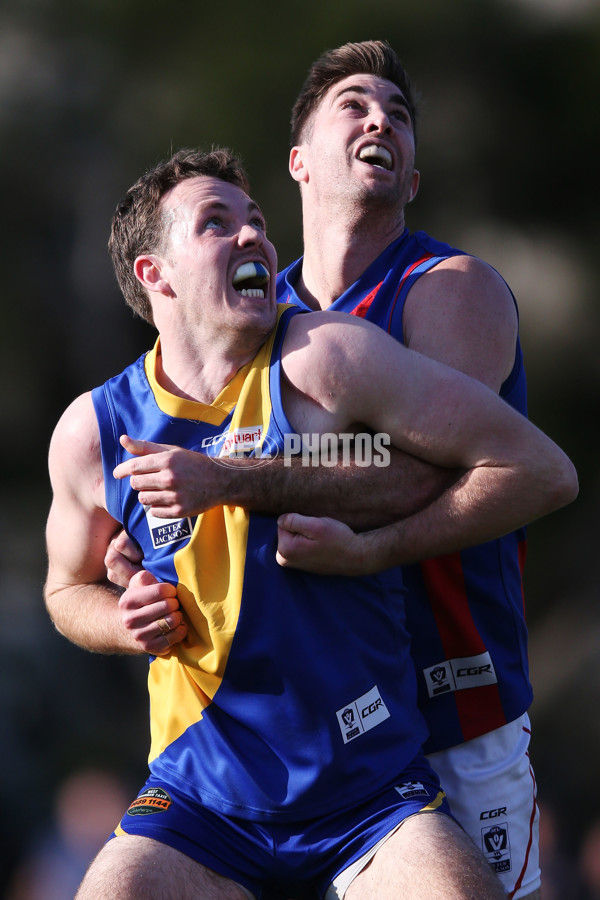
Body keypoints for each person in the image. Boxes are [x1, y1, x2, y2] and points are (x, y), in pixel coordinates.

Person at [43, 147, 577, 900]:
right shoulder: (92, 432)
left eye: (256, 220)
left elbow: (539, 469)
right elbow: (65, 593)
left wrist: (370, 544)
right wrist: (122, 620)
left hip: (368, 796)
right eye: (215, 223)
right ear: (154, 276)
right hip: (203, 807)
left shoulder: (325, 355)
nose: (252, 236)